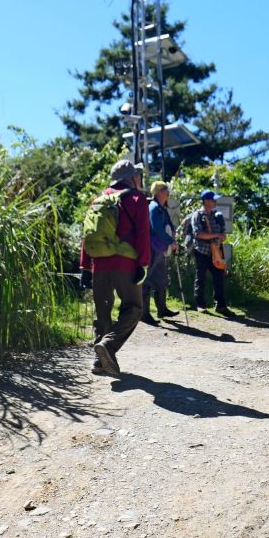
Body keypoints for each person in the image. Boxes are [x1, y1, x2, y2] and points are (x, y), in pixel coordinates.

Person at [79, 159, 151, 377]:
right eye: (137, 175)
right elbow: (143, 235)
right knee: (134, 308)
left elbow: (87, 234)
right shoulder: (137, 198)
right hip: (125, 263)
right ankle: (108, 346)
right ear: (132, 178)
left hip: (99, 264)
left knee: (103, 311)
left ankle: (98, 361)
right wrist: (143, 264)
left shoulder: (99, 199)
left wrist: (85, 266)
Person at [142, 180, 181, 324]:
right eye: (165, 189)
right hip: (152, 248)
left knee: (161, 279)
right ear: (158, 192)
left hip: (159, 248)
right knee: (147, 281)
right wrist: (172, 242)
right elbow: (157, 229)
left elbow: (167, 226)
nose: (168, 191)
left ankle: (162, 309)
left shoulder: (161, 208)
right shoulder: (154, 207)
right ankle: (144, 314)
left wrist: (172, 234)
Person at [190, 190, 233, 315]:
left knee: (219, 276)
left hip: (217, 251)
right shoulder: (197, 215)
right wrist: (217, 235)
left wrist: (221, 237)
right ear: (206, 201)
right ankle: (200, 305)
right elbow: (198, 234)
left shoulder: (217, 216)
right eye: (213, 199)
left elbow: (223, 235)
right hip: (201, 250)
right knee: (200, 277)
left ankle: (220, 305)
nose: (215, 202)